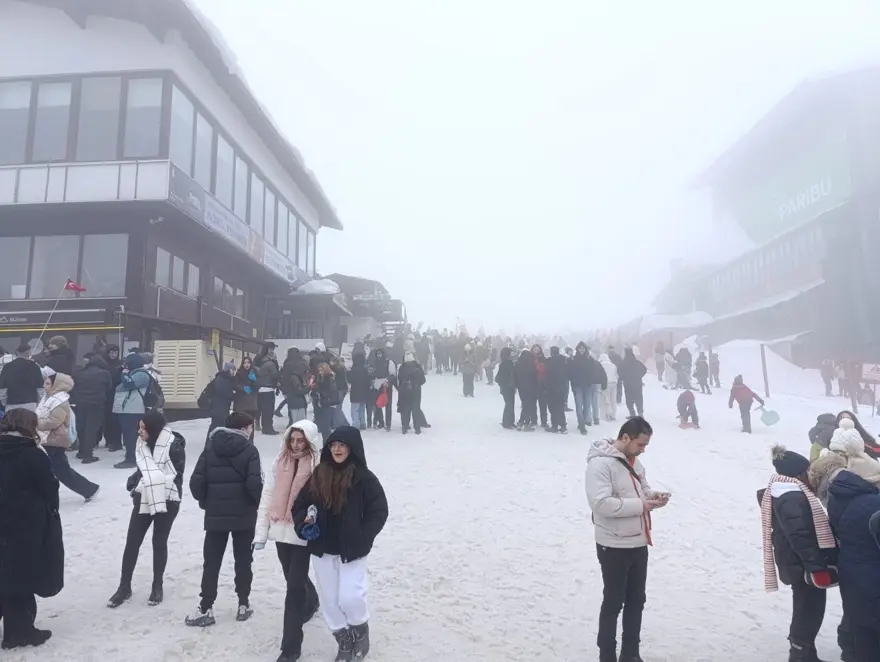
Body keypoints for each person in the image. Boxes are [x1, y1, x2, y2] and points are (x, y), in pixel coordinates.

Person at [292, 426, 389, 661]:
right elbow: (299, 505)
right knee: (330, 599)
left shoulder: (364, 478)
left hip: (352, 548)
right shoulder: (319, 474)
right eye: (334, 444)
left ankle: (360, 629)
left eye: (342, 445)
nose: (337, 449)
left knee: (350, 597)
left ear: (352, 448)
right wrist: (303, 522)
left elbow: (379, 511)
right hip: (322, 548)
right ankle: (343, 639)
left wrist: (364, 536)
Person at [585, 417, 668, 662]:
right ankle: (607, 655)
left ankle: (631, 653)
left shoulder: (635, 462)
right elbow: (600, 504)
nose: (643, 450)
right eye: (641, 444)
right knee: (613, 601)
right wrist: (642, 504)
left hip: (638, 541)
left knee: (636, 601)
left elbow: (642, 489)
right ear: (625, 438)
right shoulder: (600, 465)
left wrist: (654, 496)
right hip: (613, 544)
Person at [758, 445, 837, 661]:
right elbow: (800, 535)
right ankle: (800, 654)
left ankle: (806, 653)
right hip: (802, 565)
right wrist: (816, 567)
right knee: (809, 610)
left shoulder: (785, 492)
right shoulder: (791, 496)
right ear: (798, 473)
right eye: (807, 471)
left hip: (797, 562)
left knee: (807, 607)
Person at [187, 412, 263, 627]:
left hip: (215, 516)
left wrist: (206, 502)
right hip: (244, 517)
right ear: (245, 428)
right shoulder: (250, 451)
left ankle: (206, 607)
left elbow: (196, 483)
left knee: (211, 562)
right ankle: (243, 604)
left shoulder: (210, 448)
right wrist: (255, 504)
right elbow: (254, 485)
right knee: (243, 561)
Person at [254, 421, 321, 662]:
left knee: (292, 588)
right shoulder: (279, 461)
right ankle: (312, 600)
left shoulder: (317, 465)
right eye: (292, 440)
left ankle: (291, 647)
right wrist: (261, 533)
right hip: (280, 529)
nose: (295, 445)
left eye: (300, 440)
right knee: (293, 578)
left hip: (302, 532)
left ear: (309, 441)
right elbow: (268, 495)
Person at [107, 410, 186, 608]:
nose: (140, 432)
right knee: (132, 541)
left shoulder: (174, 445)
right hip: (144, 496)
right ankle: (124, 586)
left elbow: (175, 475)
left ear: (154, 429)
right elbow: (145, 468)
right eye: (139, 428)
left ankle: (157, 585)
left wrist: (145, 479)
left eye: (144, 428)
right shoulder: (142, 444)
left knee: (159, 541)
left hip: (168, 497)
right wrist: (136, 479)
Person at [0, 408, 62, 649]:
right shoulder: (32, 454)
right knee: (21, 578)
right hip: (26, 525)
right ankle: (20, 633)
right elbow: (49, 489)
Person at [36, 371, 99, 502]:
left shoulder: (59, 401)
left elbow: (53, 421)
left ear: (57, 385)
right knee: (45, 469)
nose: (44, 386)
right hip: (46, 439)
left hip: (54, 440)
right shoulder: (49, 398)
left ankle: (89, 489)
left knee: (62, 471)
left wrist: (34, 423)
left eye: (47, 383)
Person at [112, 353, 152, 469]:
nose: (125, 366)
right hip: (127, 409)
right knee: (129, 435)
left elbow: (129, 384)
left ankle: (132, 459)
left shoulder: (141, 374)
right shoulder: (134, 373)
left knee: (131, 435)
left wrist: (124, 374)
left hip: (133, 409)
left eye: (127, 363)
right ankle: (132, 456)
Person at [72, 353, 113, 463]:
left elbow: (74, 387)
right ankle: (88, 455)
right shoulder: (105, 373)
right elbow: (109, 387)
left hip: (80, 403)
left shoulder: (79, 373)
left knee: (81, 427)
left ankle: (81, 451)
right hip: (96, 404)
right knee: (91, 429)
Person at [828, 418, 880, 485]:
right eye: (842, 417)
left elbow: (876, 449)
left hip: (865, 466)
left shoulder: (862, 438)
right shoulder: (833, 437)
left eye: (848, 417)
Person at [0, 344, 44, 412]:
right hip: (31, 404)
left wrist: (4, 403)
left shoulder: (7, 367)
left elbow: (3, 388)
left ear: (17, 352)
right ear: (29, 352)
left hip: (12, 404)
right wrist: (40, 403)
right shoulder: (35, 367)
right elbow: (40, 388)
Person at [200, 362, 237, 435]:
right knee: (216, 428)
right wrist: (234, 394)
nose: (233, 372)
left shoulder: (223, 378)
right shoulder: (223, 379)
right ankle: (209, 445)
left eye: (234, 370)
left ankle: (213, 445)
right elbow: (227, 393)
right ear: (228, 370)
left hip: (219, 408)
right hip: (219, 409)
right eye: (232, 370)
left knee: (217, 428)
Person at [102, 344, 125, 452]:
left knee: (114, 419)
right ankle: (108, 439)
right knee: (106, 418)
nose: (113, 355)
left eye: (115, 353)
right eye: (111, 353)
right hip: (106, 394)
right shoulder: (104, 363)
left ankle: (114, 441)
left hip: (117, 393)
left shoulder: (120, 364)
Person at [279, 348, 310, 425]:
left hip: (290, 389)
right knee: (302, 407)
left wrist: (284, 390)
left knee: (292, 408)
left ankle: (291, 422)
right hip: (302, 387)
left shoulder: (287, 363)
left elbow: (284, 377)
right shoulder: (303, 362)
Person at [397, 352, 426, 434]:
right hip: (416, 391)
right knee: (416, 410)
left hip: (405, 392)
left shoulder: (402, 367)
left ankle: (405, 427)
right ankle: (417, 428)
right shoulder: (417, 367)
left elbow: (399, 378)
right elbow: (423, 380)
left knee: (406, 409)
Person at [312, 362, 342, 441]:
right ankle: (325, 443)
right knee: (323, 427)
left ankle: (327, 445)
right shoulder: (320, 378)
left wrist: (320, 392)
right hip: (322, 403)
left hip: (328, 403)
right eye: (319, 370)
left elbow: (332, 391)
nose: (320, 372)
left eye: (322, 370)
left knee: (326, 427)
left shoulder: (330, 378)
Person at [255, 347, 280, 435]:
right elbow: (275, 375)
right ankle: (268, 428)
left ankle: (264, 427)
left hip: (261, 389)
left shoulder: (261, 363)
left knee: (264, 410)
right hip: (268, 389)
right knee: (269, 411)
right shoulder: (271, 364)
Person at [544, 346, 570, 433]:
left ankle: (554, 426)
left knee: (552, 407)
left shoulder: (549, 361)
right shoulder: (565, 361)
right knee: (560, 407)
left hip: (551, 388)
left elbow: (547, 375)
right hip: (561, 387)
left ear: (551, 352)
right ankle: (563, 426)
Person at [370, 348, 396, 431]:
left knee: (388, 406)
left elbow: (393, 374)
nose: (379, 355)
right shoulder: (374, 363)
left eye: (380, 354)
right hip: (377, 385)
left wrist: (387, 380)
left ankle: (388, 424)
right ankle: (380, 422)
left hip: (386, 386)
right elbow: (373, 374)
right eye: (377, 354)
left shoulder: (389, 362)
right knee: (377, 405)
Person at [618, 348, 647, 419]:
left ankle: (632, 413)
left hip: (628, 384)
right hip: (637, 383)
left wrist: (623, 378)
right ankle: (640, 413)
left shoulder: (623, 363)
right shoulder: (637, 362)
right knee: (639, 398)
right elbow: (644, 369)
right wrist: (639, 376)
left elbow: (619, 372)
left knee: (629, 399)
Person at [515, 349, 539, 431]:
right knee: (527, 406)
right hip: (530, 388)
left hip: (521, 388)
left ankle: (522, 422)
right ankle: (524, 423)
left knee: (525, 405)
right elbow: (535, 377)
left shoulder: (518, 365)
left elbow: (516, 377)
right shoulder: (531, 366)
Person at [347, 352, 371, 431]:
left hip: (355, 391)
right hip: (364, 391)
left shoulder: (354, 369)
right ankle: (363, 423)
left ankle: (356, 425)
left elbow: (349, 379)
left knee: (354, 409)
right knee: (361, 408)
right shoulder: (365, 369)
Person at [233, 357, 259, 424]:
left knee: (250, 425)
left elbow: (258, 386)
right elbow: (234, 386)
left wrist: (254, 380)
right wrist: (243, 388)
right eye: (245, 363)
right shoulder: (239, 373)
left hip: (251, 403)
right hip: (241, 403)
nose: (246, 364)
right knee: (241, 425)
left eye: (248, 363)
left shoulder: (255, 373)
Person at [496, 347, 517, 429]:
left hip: (508, 387)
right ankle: (507, 422)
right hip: (508, 387)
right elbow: (502, 377)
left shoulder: (505, 363)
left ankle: (510, 421)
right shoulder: (507, 364)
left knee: (510, 404)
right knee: (509, 404)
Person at [598, 353, 619, 423]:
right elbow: (616, 374)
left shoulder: (600, 365)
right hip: (614, 383)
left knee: (605, 400)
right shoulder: (613, 365)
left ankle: (606, 415)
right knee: (613, 400)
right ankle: (613, 415)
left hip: (605, 384)